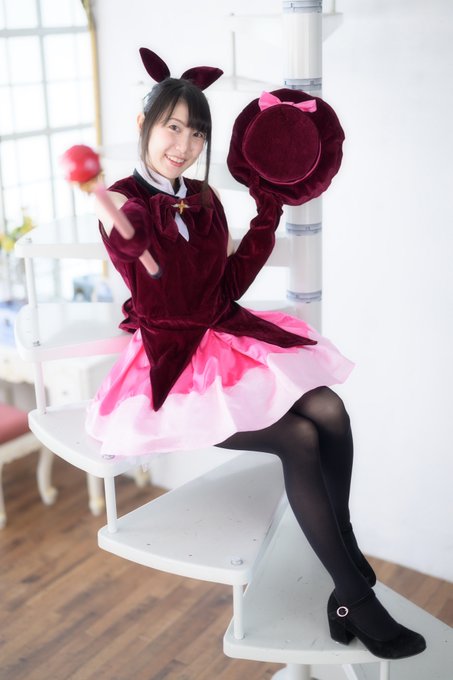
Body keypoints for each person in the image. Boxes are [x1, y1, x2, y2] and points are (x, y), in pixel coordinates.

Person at [86, 48, 426, 660]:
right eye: (172, 127)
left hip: (222, 336)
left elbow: (226, 287)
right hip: (176, 364)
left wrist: (267, 215)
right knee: (298, 437)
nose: (184, 145)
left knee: (330, 410)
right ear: (144, 125)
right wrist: (129, 226)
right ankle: (356, 595)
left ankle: (346, 565)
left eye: (196, 133)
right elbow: (148, 270)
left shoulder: (204, 200)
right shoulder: (122, 204)